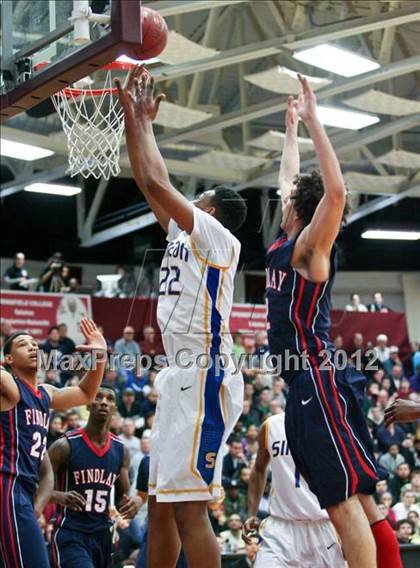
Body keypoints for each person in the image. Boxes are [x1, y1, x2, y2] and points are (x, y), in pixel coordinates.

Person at [264, 75, 401, 568]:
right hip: (305, 384)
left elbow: (336, 190)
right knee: (360, 501)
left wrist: (316, 121)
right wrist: (291, 131)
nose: (281, 199)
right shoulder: (286, 240)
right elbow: (288, 179)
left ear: (302, 210)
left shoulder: (308, 250)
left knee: (343, 506)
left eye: (290, 199)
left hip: (316, 381)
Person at [116, 64, 247, 568]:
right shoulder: (183, 236)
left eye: (198, 201)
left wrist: (140, 119)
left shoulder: (218, 238)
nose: (186, 204)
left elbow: (155, 178)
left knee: (191, 507)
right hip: (180, 375)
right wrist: (139, 123)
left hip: (205, 372)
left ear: (209, 213)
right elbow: (150, 185)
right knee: (162, 504)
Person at [0, 318, 107, 568]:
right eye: (24, 345)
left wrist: (100, 354)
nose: (33, 347)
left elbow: (86, 394)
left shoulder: (45, 393)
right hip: (8, 483)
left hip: (24, 490)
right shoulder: (9, 388)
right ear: (9, 359)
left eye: (35, 344)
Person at [48, 385, 140, 568]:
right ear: (88, 405)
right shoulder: (64, 446)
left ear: (115, 408)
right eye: (98, 397)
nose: (104, 402)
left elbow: (122, 501)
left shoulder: (121, 450)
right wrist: (58, 496)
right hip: (71, 532)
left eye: (110, 399)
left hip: (103, 534)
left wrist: (136, 502)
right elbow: (33, 486)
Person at [243, 413, 345, 567]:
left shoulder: (332, 425)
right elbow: (259, 469)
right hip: (280, 527)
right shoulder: (271, 425)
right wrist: (252, 513)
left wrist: (345, 529)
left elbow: (343, 479)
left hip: (322, 527)